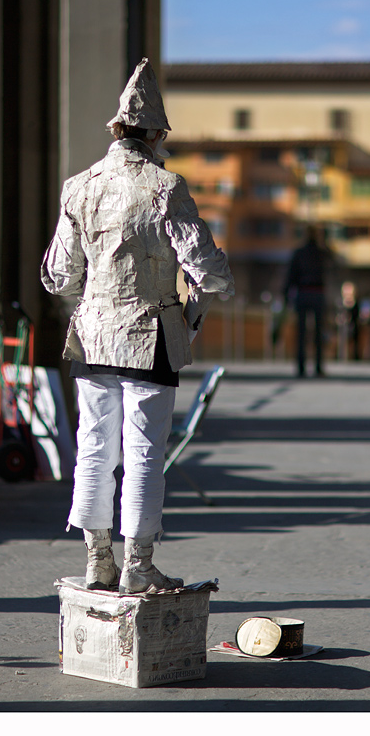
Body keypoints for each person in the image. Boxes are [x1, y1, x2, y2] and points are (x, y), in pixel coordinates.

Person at [41, 58, 234, 593]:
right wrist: (217, 286)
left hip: (92, 334)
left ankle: (96, 560)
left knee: (94, 447)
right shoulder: (165, 187)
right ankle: (138, 564)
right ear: (154, 134)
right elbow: (206, 267)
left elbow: (58, 276)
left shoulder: (77, 187)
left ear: (116, 131)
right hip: (149, 337)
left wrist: (96, 292)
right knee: (145, 451)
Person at [284, 225, 330, 377]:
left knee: (302, 333)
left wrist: (286, 294)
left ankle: (301, 366)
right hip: (316, 293)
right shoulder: (321, 253)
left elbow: (291, 275)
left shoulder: (300, 253)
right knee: (317, 333)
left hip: (303, 293)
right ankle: (317, 366)